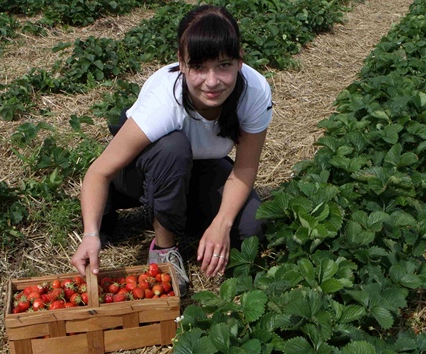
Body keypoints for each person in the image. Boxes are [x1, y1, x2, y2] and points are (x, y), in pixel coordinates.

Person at [70, 4, 273, 295]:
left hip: (195, 167)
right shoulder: (165, 101)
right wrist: (90, 234)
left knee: (252, 223)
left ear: (240, 60)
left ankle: (174, 207)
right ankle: (164, 249)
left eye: (224, 65)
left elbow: (245, 167)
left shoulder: (254, 91)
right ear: (182, 62)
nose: (212, 81)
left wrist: (221, 224)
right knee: (172, 149)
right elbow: (98, 172)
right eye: (199, 67)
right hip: (136, 173)